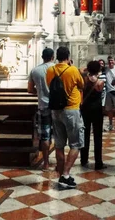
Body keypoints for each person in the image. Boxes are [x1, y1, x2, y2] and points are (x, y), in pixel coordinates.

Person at [46, 47, 84, 188]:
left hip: (55, 110)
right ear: (68, 56)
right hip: (71, 109)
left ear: (56, 56)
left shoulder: (50, 70)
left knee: (59, 145)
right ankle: (65, 175)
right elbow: (82, 84)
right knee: (76, 144)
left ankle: (62, 175)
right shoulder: (72, 70)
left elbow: (49, 85)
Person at [27, 48, 55, 170]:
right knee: (59, 135)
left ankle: (46, 163)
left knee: (45, 135)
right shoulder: (57, 69)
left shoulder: (35, 70)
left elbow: (29, 89)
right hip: (57, 107)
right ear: (53, 57)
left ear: (42, 57)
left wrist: (40, 92)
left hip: (43, 106)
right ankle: (60, 164)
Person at [80, 60, 107, 170]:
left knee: (85, 135)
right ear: (99, 70)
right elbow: (101, 94)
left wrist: (87, 70)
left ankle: (84, 159)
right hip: (97, 110)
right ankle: (98, 162)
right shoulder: (100, 82)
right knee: (98, 136)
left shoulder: (84, 80)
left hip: (85, 109)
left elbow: (81, 71)